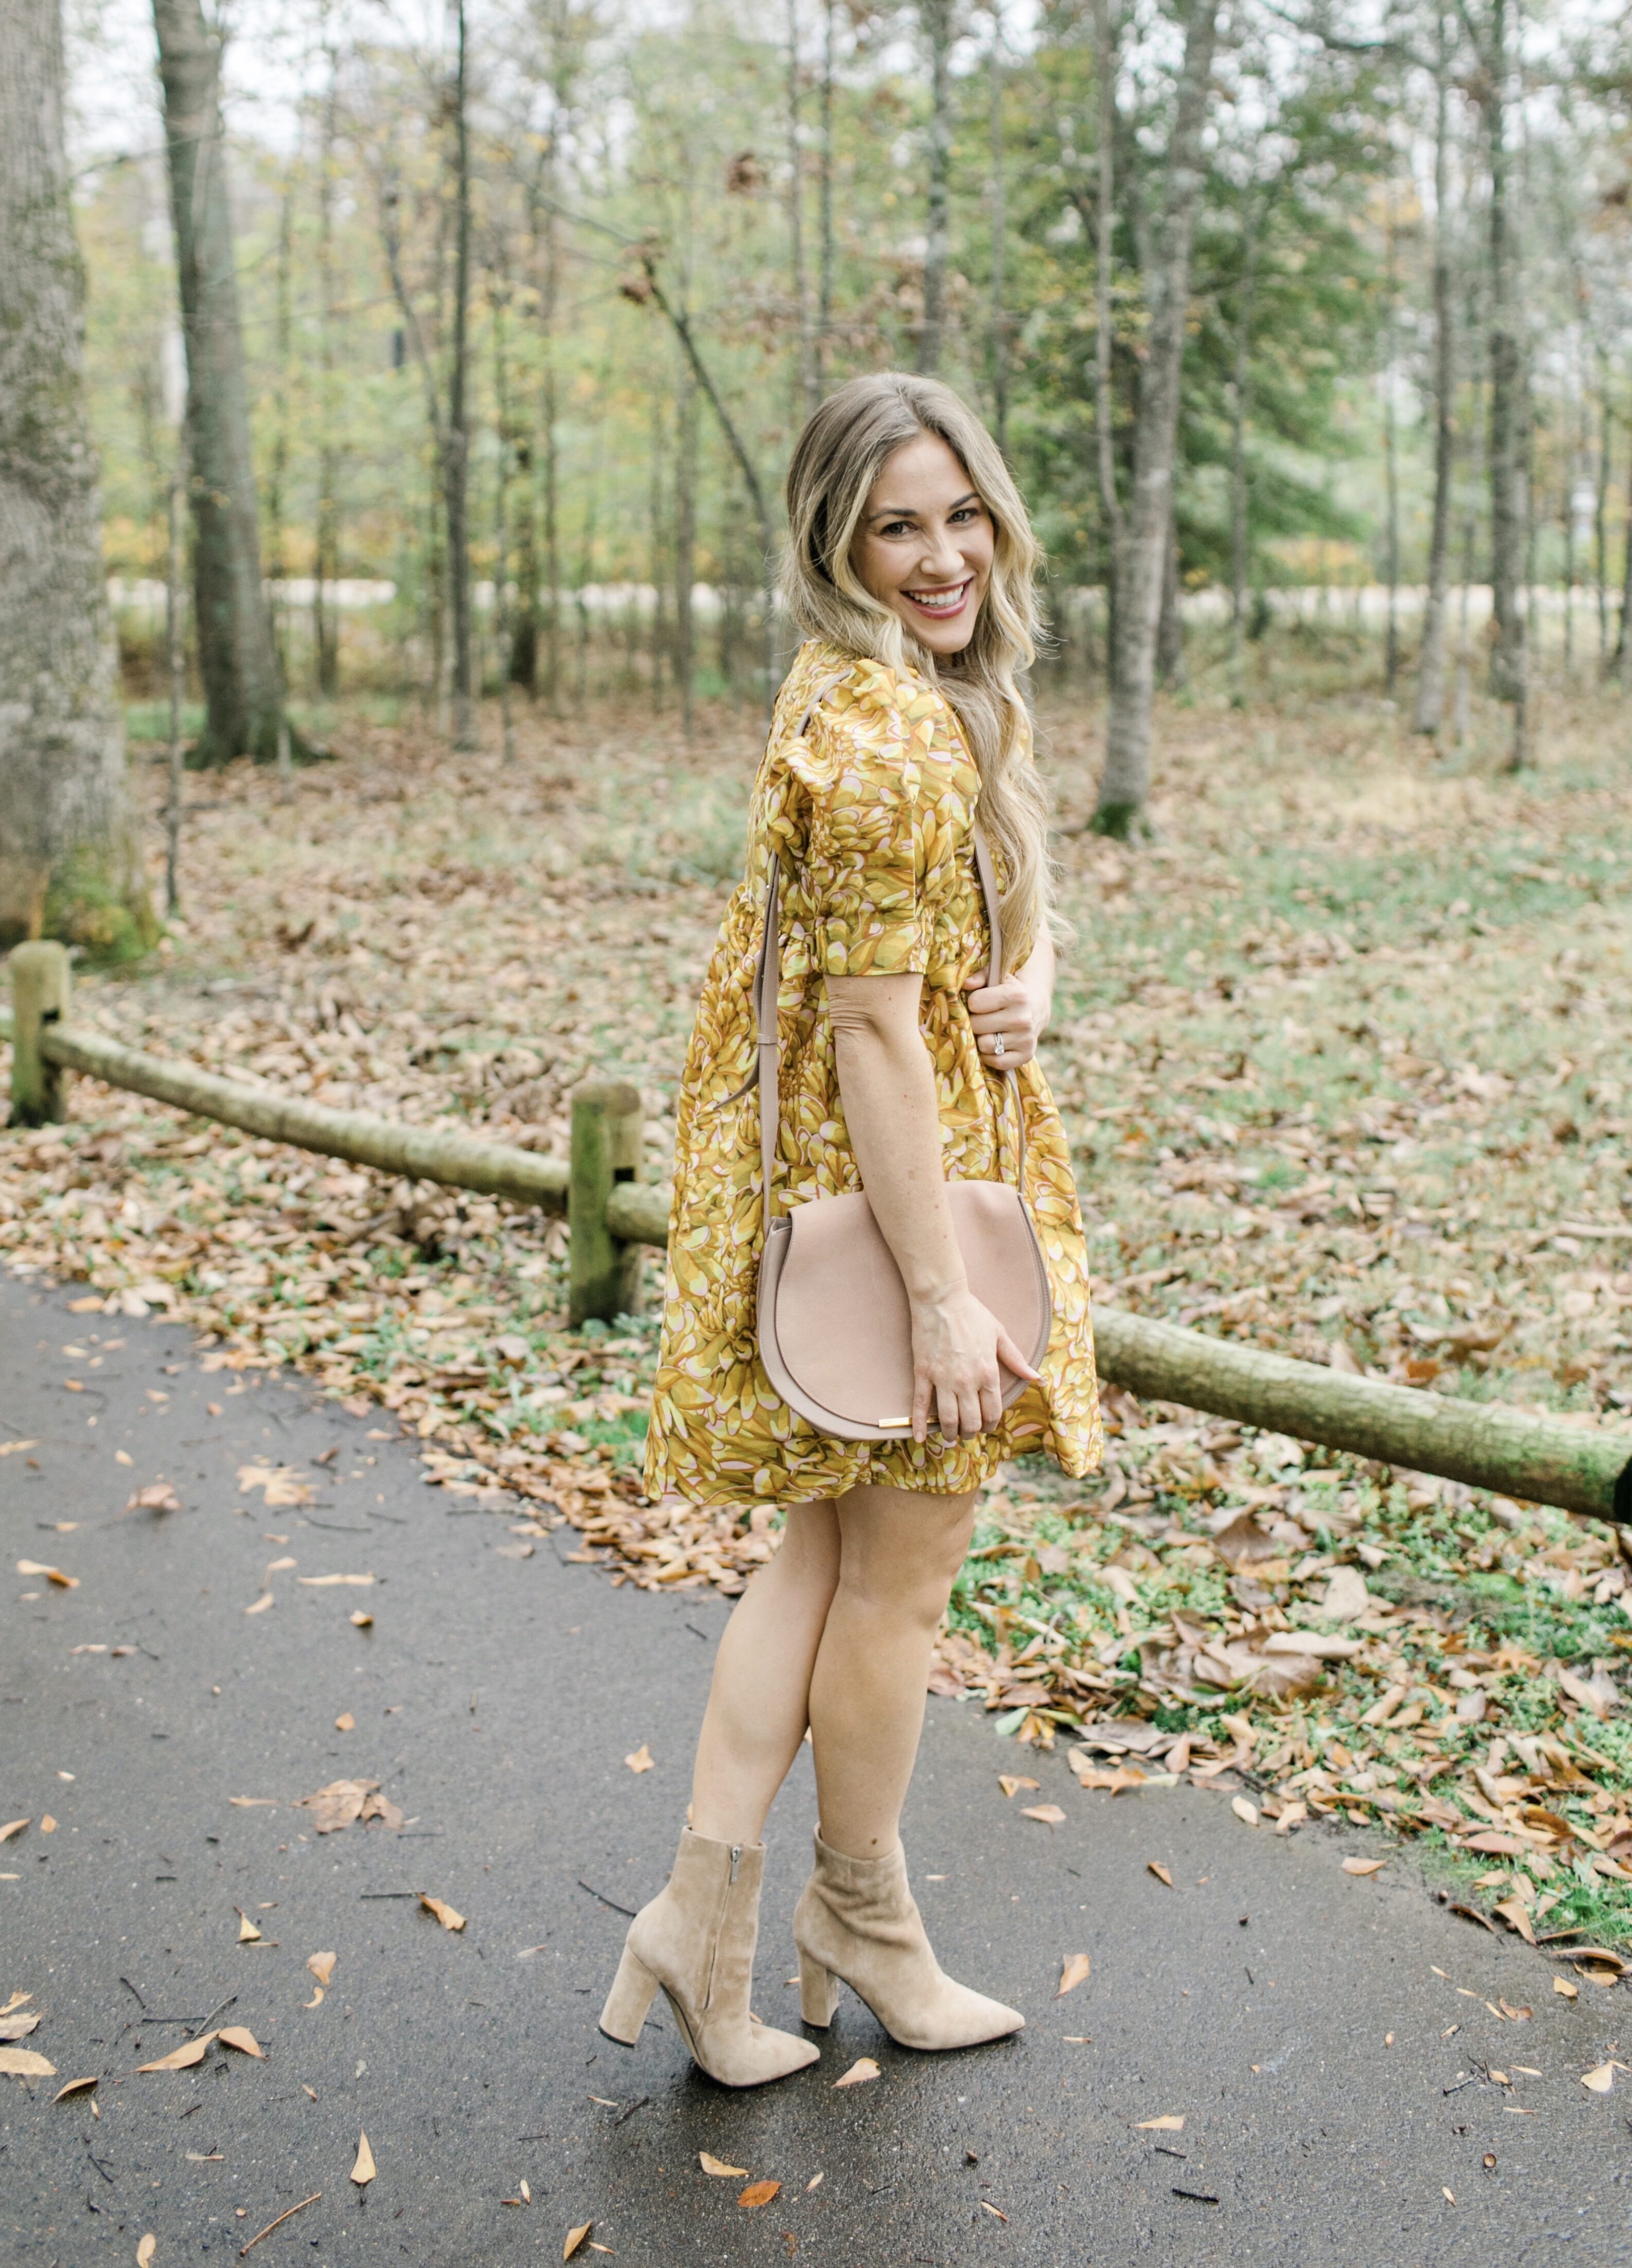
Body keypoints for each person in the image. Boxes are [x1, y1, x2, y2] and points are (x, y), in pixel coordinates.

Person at [600, 371, 1101, 2086]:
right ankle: (864, 1923)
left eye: (963, 513)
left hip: (836, 1169)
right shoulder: (891, 730)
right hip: (898, 1188)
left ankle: (700, 1928)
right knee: (900, 1577)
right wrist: (946, 1299)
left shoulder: (887, 694)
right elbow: (875, 1028)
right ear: (836, 538)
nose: (945, 553)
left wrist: (1029, 973)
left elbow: (956, 946)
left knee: (815, 1557)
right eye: (900, 525)